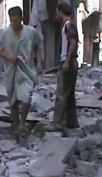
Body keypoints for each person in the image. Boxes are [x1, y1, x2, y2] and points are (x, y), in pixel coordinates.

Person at [0, 6, 43, 142]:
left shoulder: (31, 32)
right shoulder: (5, 33)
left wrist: (39, 62)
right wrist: (8, 56)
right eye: (11, 21)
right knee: (13, 101)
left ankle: (22, 122)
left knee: (26, 98)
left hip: (26, 70)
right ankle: (16, 127)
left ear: (21, 18)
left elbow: (39, 45)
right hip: (11, 71)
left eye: (16, 20)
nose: (14, 23)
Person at [52, 2, 79, 132]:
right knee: (69, 94)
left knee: (62, 92)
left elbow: (73, 43)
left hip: (68, 62)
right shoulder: (69, 25)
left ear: (61, 11)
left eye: (57, 11)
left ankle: (57, 122)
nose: (56, 14)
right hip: (70, 62)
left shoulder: (68, 26)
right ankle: (72, 122)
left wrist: (67, 61)